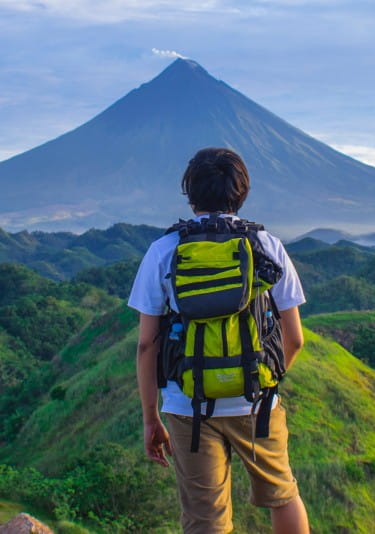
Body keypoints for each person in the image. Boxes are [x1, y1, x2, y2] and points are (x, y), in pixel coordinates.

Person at [129, 147, 310, 534]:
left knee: (204, 519)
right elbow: (294, 338)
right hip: (255, 402)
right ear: (241, 192)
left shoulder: (164, 251)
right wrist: (262, 382)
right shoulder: (267, 245)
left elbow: (147, 345)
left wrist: (151, 418)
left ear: (190, 195)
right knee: (283, 496)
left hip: (188, 405)